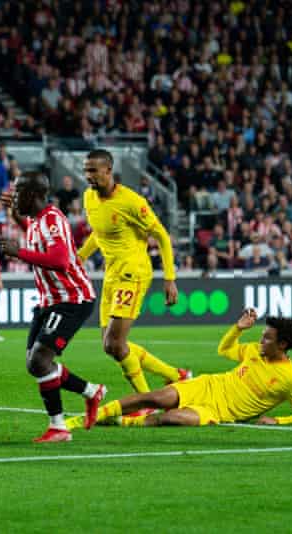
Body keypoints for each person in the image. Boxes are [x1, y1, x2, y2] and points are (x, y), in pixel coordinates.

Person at [0, 172, 107, 443]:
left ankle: (58, 428)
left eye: (18, 191)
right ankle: (91, 391)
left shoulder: (53, 219)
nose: (14, 195)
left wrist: (18, 252)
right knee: (34, 364)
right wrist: (14, 215)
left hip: (72, 298)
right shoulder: (36, 221)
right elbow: (34, 236)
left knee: (40, 361)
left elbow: (59, 260)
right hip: (50, 300)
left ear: (33, 195)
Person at [78, 149, 191, 399]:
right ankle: (176, 376)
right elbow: (99, 233)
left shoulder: (131, 201)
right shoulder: (88, 197)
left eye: (93, 171)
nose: (88, 176)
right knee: (110, 346)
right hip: (111, 274)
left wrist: (169, 277)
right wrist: (80, 257)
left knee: (115, 344)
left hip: (134, 272)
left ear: (108, 170)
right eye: (85, 171)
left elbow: (161, 234)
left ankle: (147, 401)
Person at [80, 309, 292, 427]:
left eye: (267, 339)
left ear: (282, 344)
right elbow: (225, 350)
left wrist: (278, 421)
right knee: (155, 398)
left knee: (172, 419)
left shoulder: (291, 379)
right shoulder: (254, 350)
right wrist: (238, 328)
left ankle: (123, 422)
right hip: (208, 386)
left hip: (219, 413)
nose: (262, 341)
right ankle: (98, 414)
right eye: (262, 336)